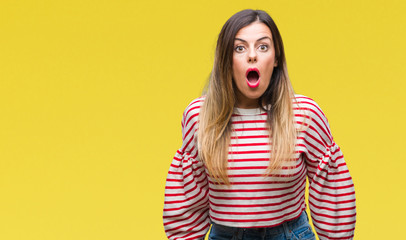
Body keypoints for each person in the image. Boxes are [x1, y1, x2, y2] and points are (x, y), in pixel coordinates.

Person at [163, 9, 356, 240]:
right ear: (226, 60)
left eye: (263, 47)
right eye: (240, 48)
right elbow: (188, 196)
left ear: (275, 59)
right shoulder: (200, 116)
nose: (252, 56)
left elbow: (331, 189)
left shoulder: (305, 114)